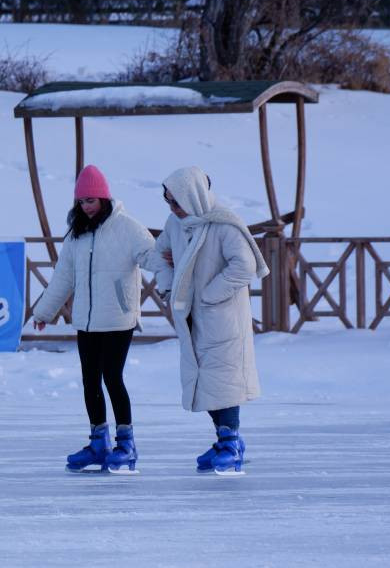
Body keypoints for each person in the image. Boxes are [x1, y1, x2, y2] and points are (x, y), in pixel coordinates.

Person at [32, 164, 163, 474]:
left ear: (104, 198)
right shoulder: (77, 235)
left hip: (118, 318)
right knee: (90, 380)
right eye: (81, 201)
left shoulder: (128, 228)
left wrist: (169, 254)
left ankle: (126, 443)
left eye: (91, 200)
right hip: (87, 321)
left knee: (112, 377)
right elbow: (63, 277)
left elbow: (151, 256)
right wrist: (44, 311)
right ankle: (98, 442)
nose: (86, 206)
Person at [153, 166, 269, 475]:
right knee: (204, 379)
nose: (173, 209)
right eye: (169, 203)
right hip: (191, 316)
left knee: (224, 379)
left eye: (176, 202)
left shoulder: (224, 224)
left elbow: (244, 266)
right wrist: (169, 284)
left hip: (222, 317)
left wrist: (209, 294)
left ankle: (230, 442)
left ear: (192, 197)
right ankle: (224, 440)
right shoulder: (175, 224)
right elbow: (158, 254)